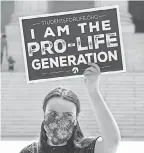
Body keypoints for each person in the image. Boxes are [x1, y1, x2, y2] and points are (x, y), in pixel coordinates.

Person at [20, 63, 121, 153]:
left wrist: (93, 91)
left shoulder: (85, 149)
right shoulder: (30, 151)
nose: (59, 120)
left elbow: (112, 143)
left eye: (68, 115)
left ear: (76, 120)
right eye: (52, 114)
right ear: (44, 115)